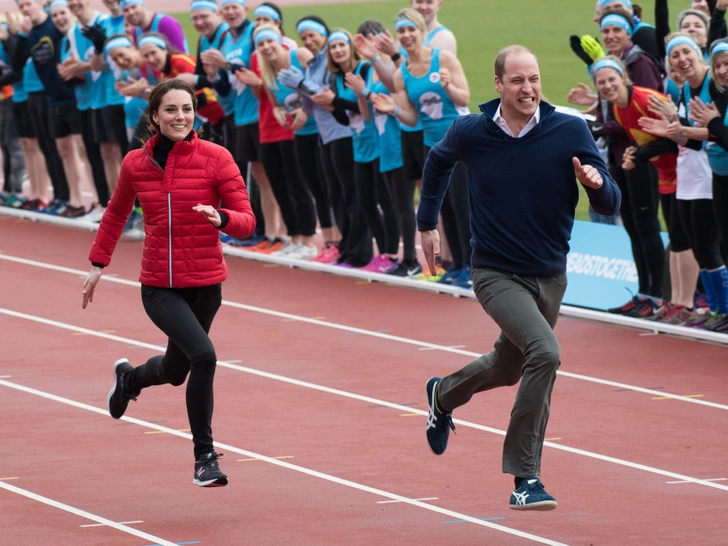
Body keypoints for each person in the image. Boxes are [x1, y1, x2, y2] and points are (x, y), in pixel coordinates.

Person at [420, 45, 620, 510]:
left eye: (533, 79)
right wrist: (426, 223)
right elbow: (437, 162)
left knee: (509, 367)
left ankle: (442, 396)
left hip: (550, 275)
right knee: (545, 353)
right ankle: (525, 478)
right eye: (517, 81)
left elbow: (612, 201)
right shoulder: (472, 131)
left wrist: (596, 185)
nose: (527, 88)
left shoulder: (569, 128)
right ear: (498, 85)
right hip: (494, 271)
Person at [81, 79, 257, 486]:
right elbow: (115, 214)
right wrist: (97, 264)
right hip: (160, 286)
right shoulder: (135, 165)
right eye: (172, 110)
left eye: (187, 109)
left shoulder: (217, 158)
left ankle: (131, 378)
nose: (181, 117)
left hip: (206, 285)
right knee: (205, 357)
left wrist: (223, 218)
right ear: (155, 116)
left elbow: (247, 220)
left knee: (178, 370)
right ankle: (204, 458)